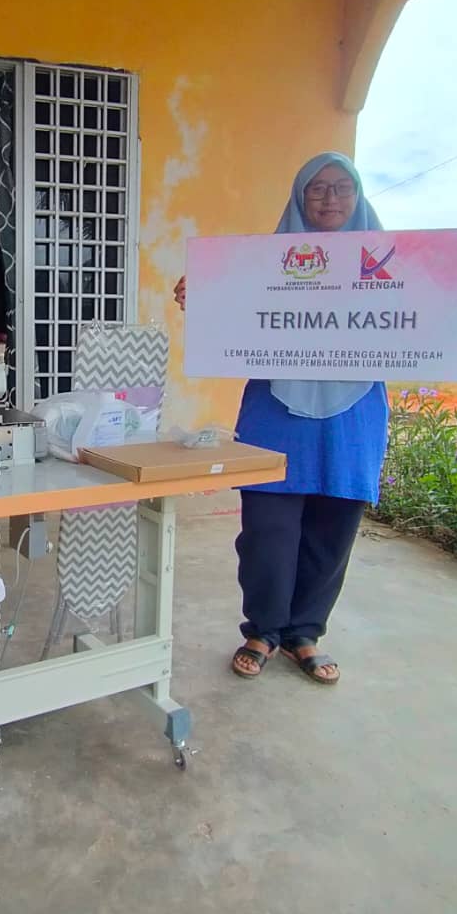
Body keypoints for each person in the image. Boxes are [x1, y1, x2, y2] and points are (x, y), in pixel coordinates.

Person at [174, 152, 389, 685]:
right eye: (317, 188)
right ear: (299, 197)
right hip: (276, 405)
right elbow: (232, 313)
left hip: (354, 411)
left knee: (333, 528)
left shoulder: (394, 264)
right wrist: (203, 296)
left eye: (342, 187)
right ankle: (263, 631)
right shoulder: (264, 264)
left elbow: (433, 315)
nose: (330, 198)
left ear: (358, 196)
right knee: (267, 529)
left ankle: (304, 633)